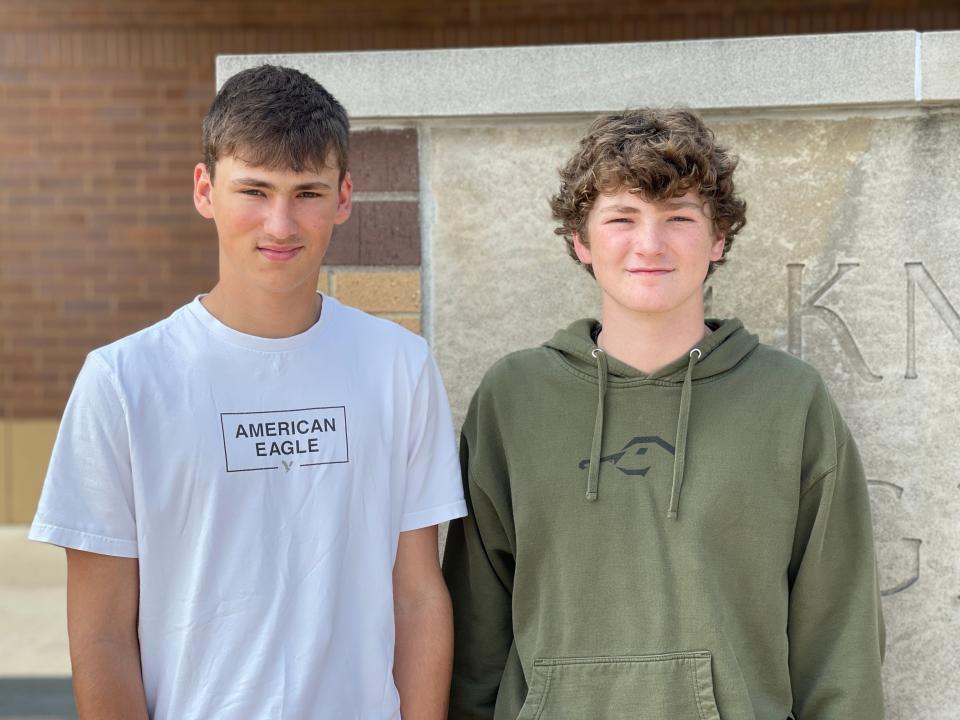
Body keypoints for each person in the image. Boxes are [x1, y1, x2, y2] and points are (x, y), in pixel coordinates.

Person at [30, 64, 465, 720]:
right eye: (254, 190)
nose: (281, 224)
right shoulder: (123, 383)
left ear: (345, 197)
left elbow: (417, 597)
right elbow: (102, 635)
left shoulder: (398, 367)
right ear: (205, 189)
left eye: (308, 193)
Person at [442, 109, 885, 719]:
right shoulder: (513, 397)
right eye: (622, 218)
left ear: (719, 238)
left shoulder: (789, 400)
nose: (649, 244)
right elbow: (474, 627)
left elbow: (839, 636)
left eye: (678, 218)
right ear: (581, 241)